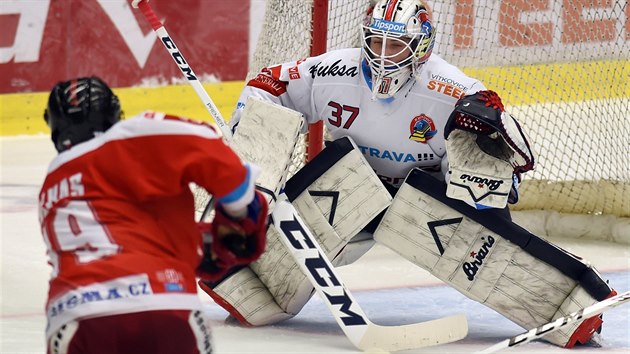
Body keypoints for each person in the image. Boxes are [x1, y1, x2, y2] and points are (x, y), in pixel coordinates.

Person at [200, 0, 616, 349]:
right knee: (268, 129)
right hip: (349, 184)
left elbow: (520, 157)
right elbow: (268, 83)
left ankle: (571, 304)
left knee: (478, 152)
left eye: (396, 45)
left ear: (421, 48)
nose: (383, 54)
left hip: (427, 195)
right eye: (376, 40)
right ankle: (243, 274)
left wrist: (494, 133)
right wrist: (253, 149)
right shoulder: (334, 72)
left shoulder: (452, 88)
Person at [39, 76, 268, 354]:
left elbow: (123, 240)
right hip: (162, 306)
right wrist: (241, 213)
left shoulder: (52, 182)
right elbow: (223, 166)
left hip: (74, 316)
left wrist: (197, 246)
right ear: (113, 112)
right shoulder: (131, 135)